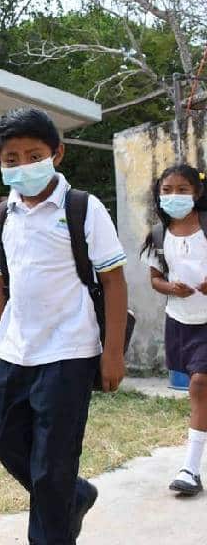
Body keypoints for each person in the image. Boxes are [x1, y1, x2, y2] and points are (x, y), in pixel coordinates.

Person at [0, 108, 128, 544]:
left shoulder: (82, 208)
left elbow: (114, 282)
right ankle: (73, 496)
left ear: (57, 154)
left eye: (34, 154)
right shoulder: (2, 217)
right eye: (11, 158)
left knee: (52, 466)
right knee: (1, 437)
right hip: (16, 350)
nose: (23, 165)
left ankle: (55, 518)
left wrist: (113, 352)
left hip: (69, 352)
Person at [140, 164, 207, 496]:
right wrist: (171, 287)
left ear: (197, 192)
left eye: (182, 189)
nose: (174, 196)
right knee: (199, 388)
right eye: (167, 190)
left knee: (199, 384)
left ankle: (190, 470)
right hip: (180, 321)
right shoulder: (157, 234)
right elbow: (154, 279)